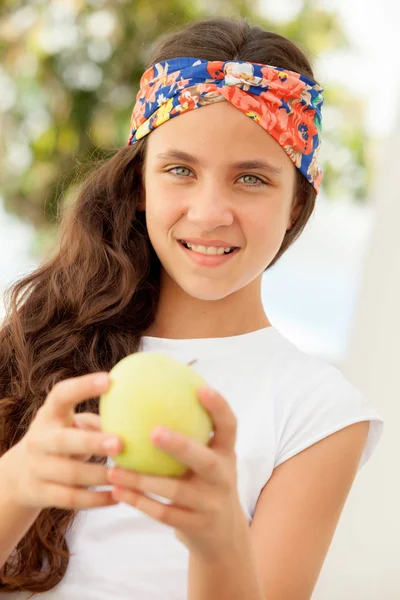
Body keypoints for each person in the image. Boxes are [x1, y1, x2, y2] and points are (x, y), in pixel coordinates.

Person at [0, 16, 383, 600]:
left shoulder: (320, 414)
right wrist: (19, 482)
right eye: (180, 170)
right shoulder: (36, 340)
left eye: (251, 179)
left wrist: (217, 542)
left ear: (299, 201)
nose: (209, 213)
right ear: (139, 185)